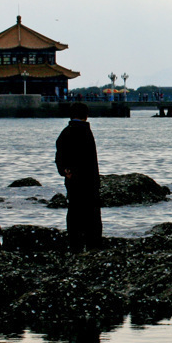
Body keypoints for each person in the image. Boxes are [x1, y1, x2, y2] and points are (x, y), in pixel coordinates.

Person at [55, 102, 102, 252]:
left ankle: (75, 245)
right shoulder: (85, 131)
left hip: (73, 179)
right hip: (89, 179)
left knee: (74, 212)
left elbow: (59, 155)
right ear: (86, 115)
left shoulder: (65, 132)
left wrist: (64, 170)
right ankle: (92, 245)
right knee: (92, 214)